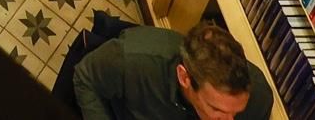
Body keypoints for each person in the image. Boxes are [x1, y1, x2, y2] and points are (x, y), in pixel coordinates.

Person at [58, 19, 273, 120]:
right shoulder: (132, 60)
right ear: (184, 77)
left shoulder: (259, 98)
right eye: (216, 110)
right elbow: (85, 77)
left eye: (236, 112)